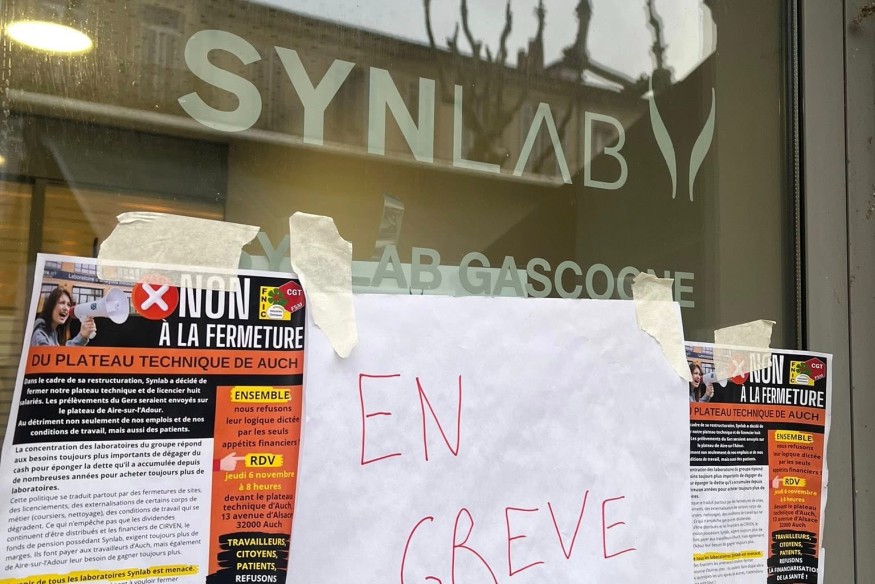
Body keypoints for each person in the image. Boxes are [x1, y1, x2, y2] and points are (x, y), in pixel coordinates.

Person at [31, 286, 96, 346]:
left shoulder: (54, 333)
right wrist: (81, 336)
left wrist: (83, 336)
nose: (66, 308)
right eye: (62, 303)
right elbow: (56, 354)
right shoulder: (39, 334)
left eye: (68, 305)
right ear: (51, 306)